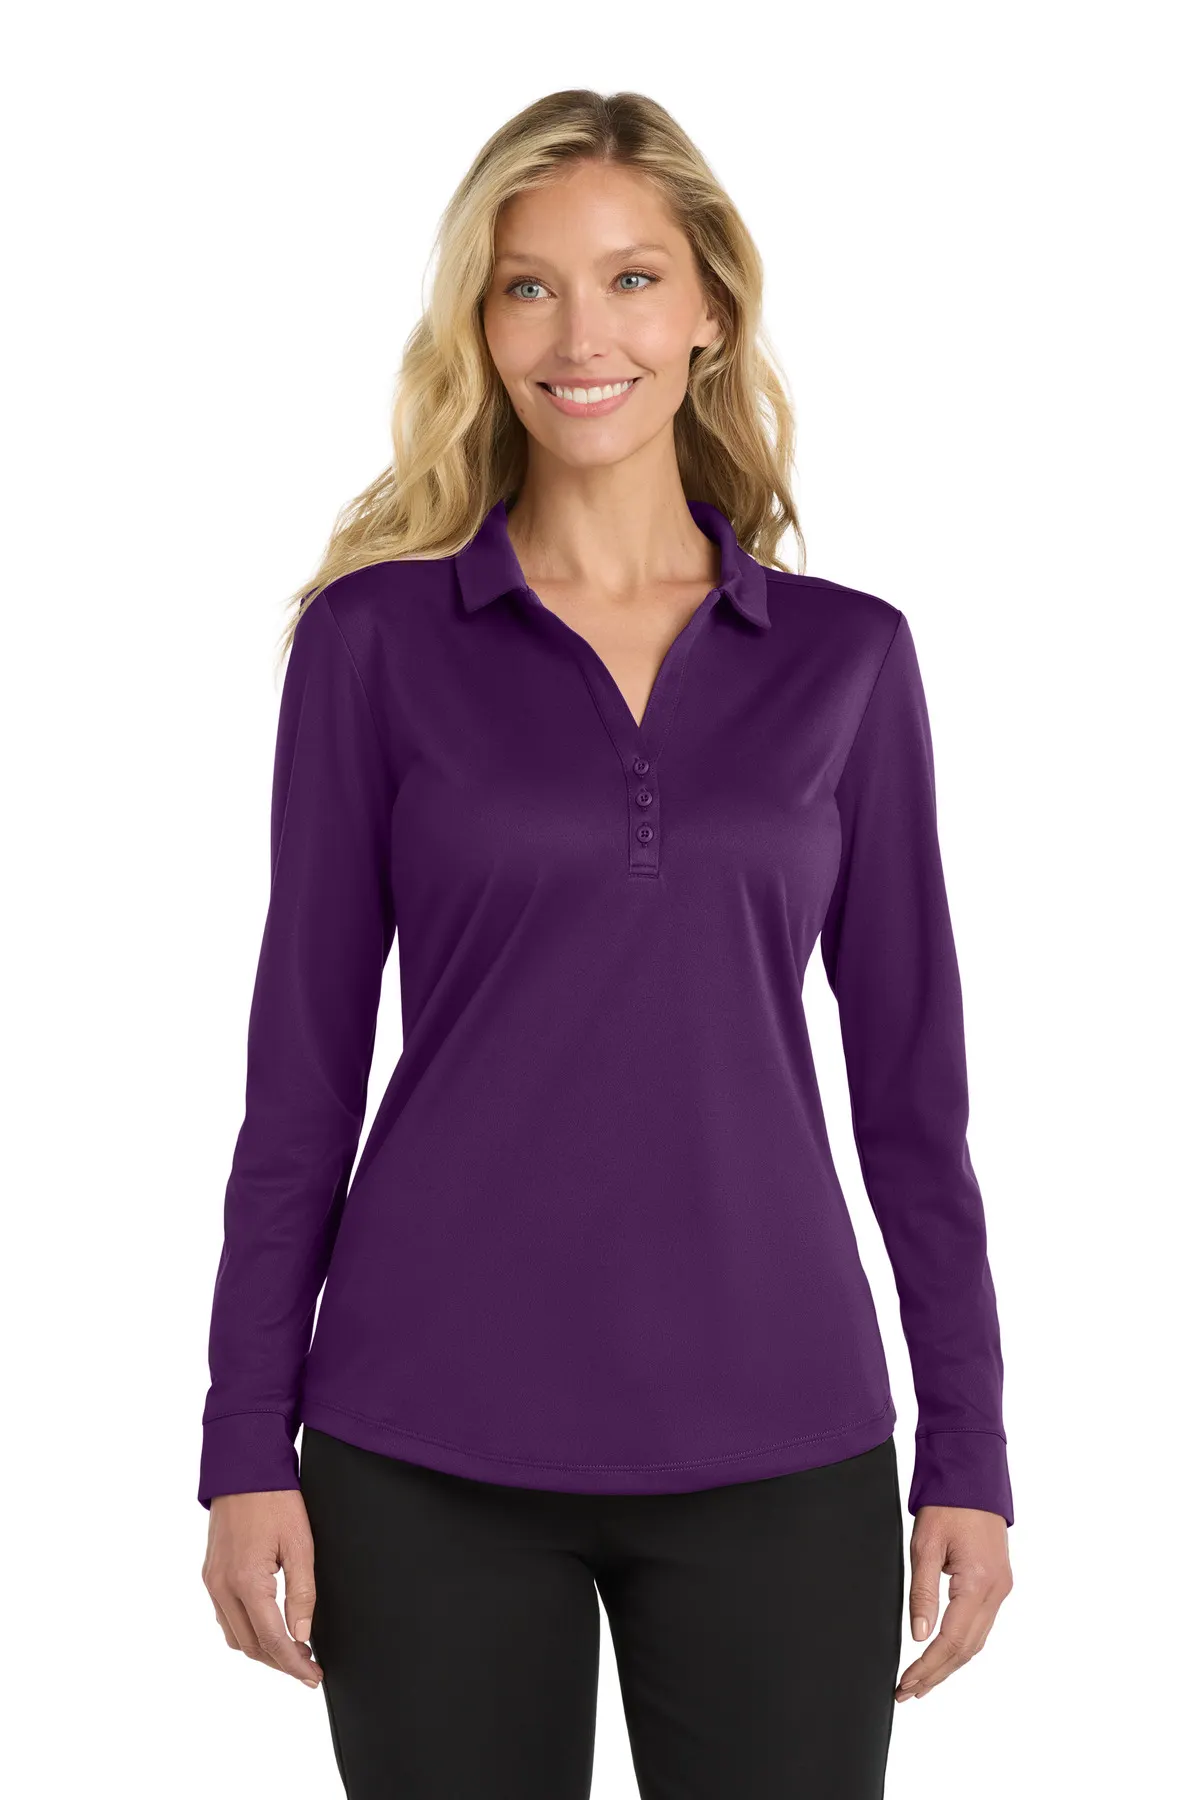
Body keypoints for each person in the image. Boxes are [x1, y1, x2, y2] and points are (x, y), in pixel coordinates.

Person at [198, 87, 1014, 1799]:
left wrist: (971, 1447)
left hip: (779, 1432)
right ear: (480, 324)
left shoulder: (847, 661)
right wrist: (241, 1441)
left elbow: (914, 1096)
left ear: (710, 307)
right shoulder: (373, 643)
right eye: (530, 287)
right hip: (421, 1438)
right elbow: (300, 1078)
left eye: (634, 279)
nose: (584, 337)